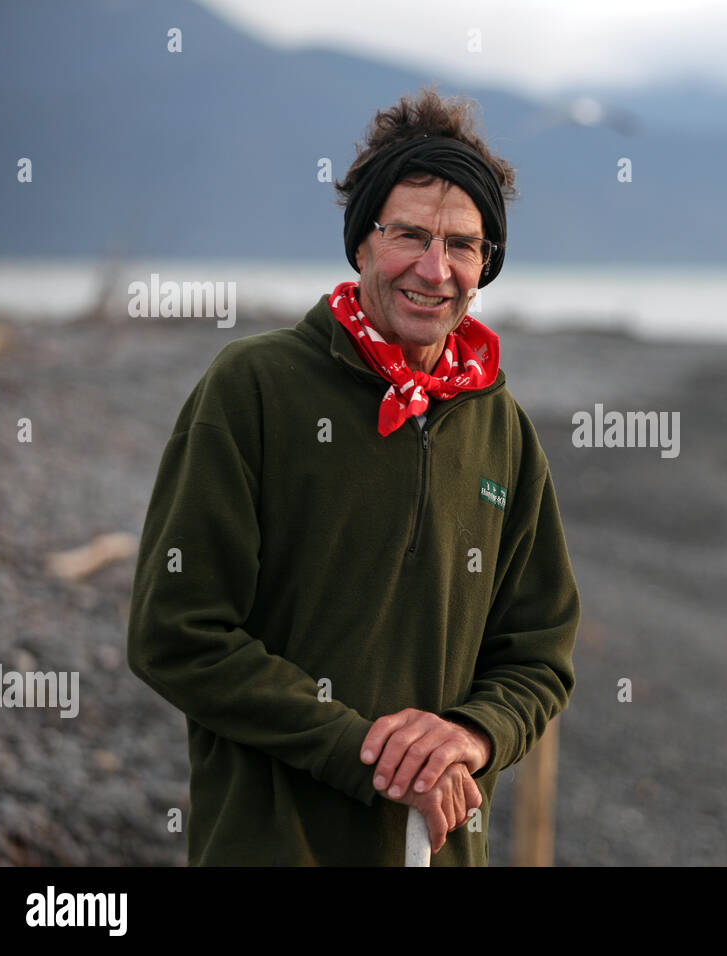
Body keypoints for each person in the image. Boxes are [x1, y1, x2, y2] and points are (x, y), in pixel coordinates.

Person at [126, 87, 580, 866]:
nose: (434, 269)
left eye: (463, 245)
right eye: (409, 234)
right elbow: (176, 630)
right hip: (268, 847)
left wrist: (471, 734)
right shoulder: (254, 389)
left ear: (486, 265)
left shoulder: (502, 430)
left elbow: (538, 651)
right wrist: (365, 748)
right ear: (361, 244)